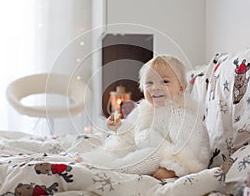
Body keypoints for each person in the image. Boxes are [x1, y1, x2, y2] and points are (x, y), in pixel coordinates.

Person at [77, 55, 211, 180]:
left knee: (153, 153)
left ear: (181, 89)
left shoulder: (180, 115)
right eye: (149, 83)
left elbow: (192, 149)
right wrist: (119, 128)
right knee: (122, 149)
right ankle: (97, 162)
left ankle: (109, 169)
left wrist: (174, 169)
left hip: (167, 157)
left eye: (164, 81)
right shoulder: (143, 110)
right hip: (142, 150)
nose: (155, 87)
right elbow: (132, 134)